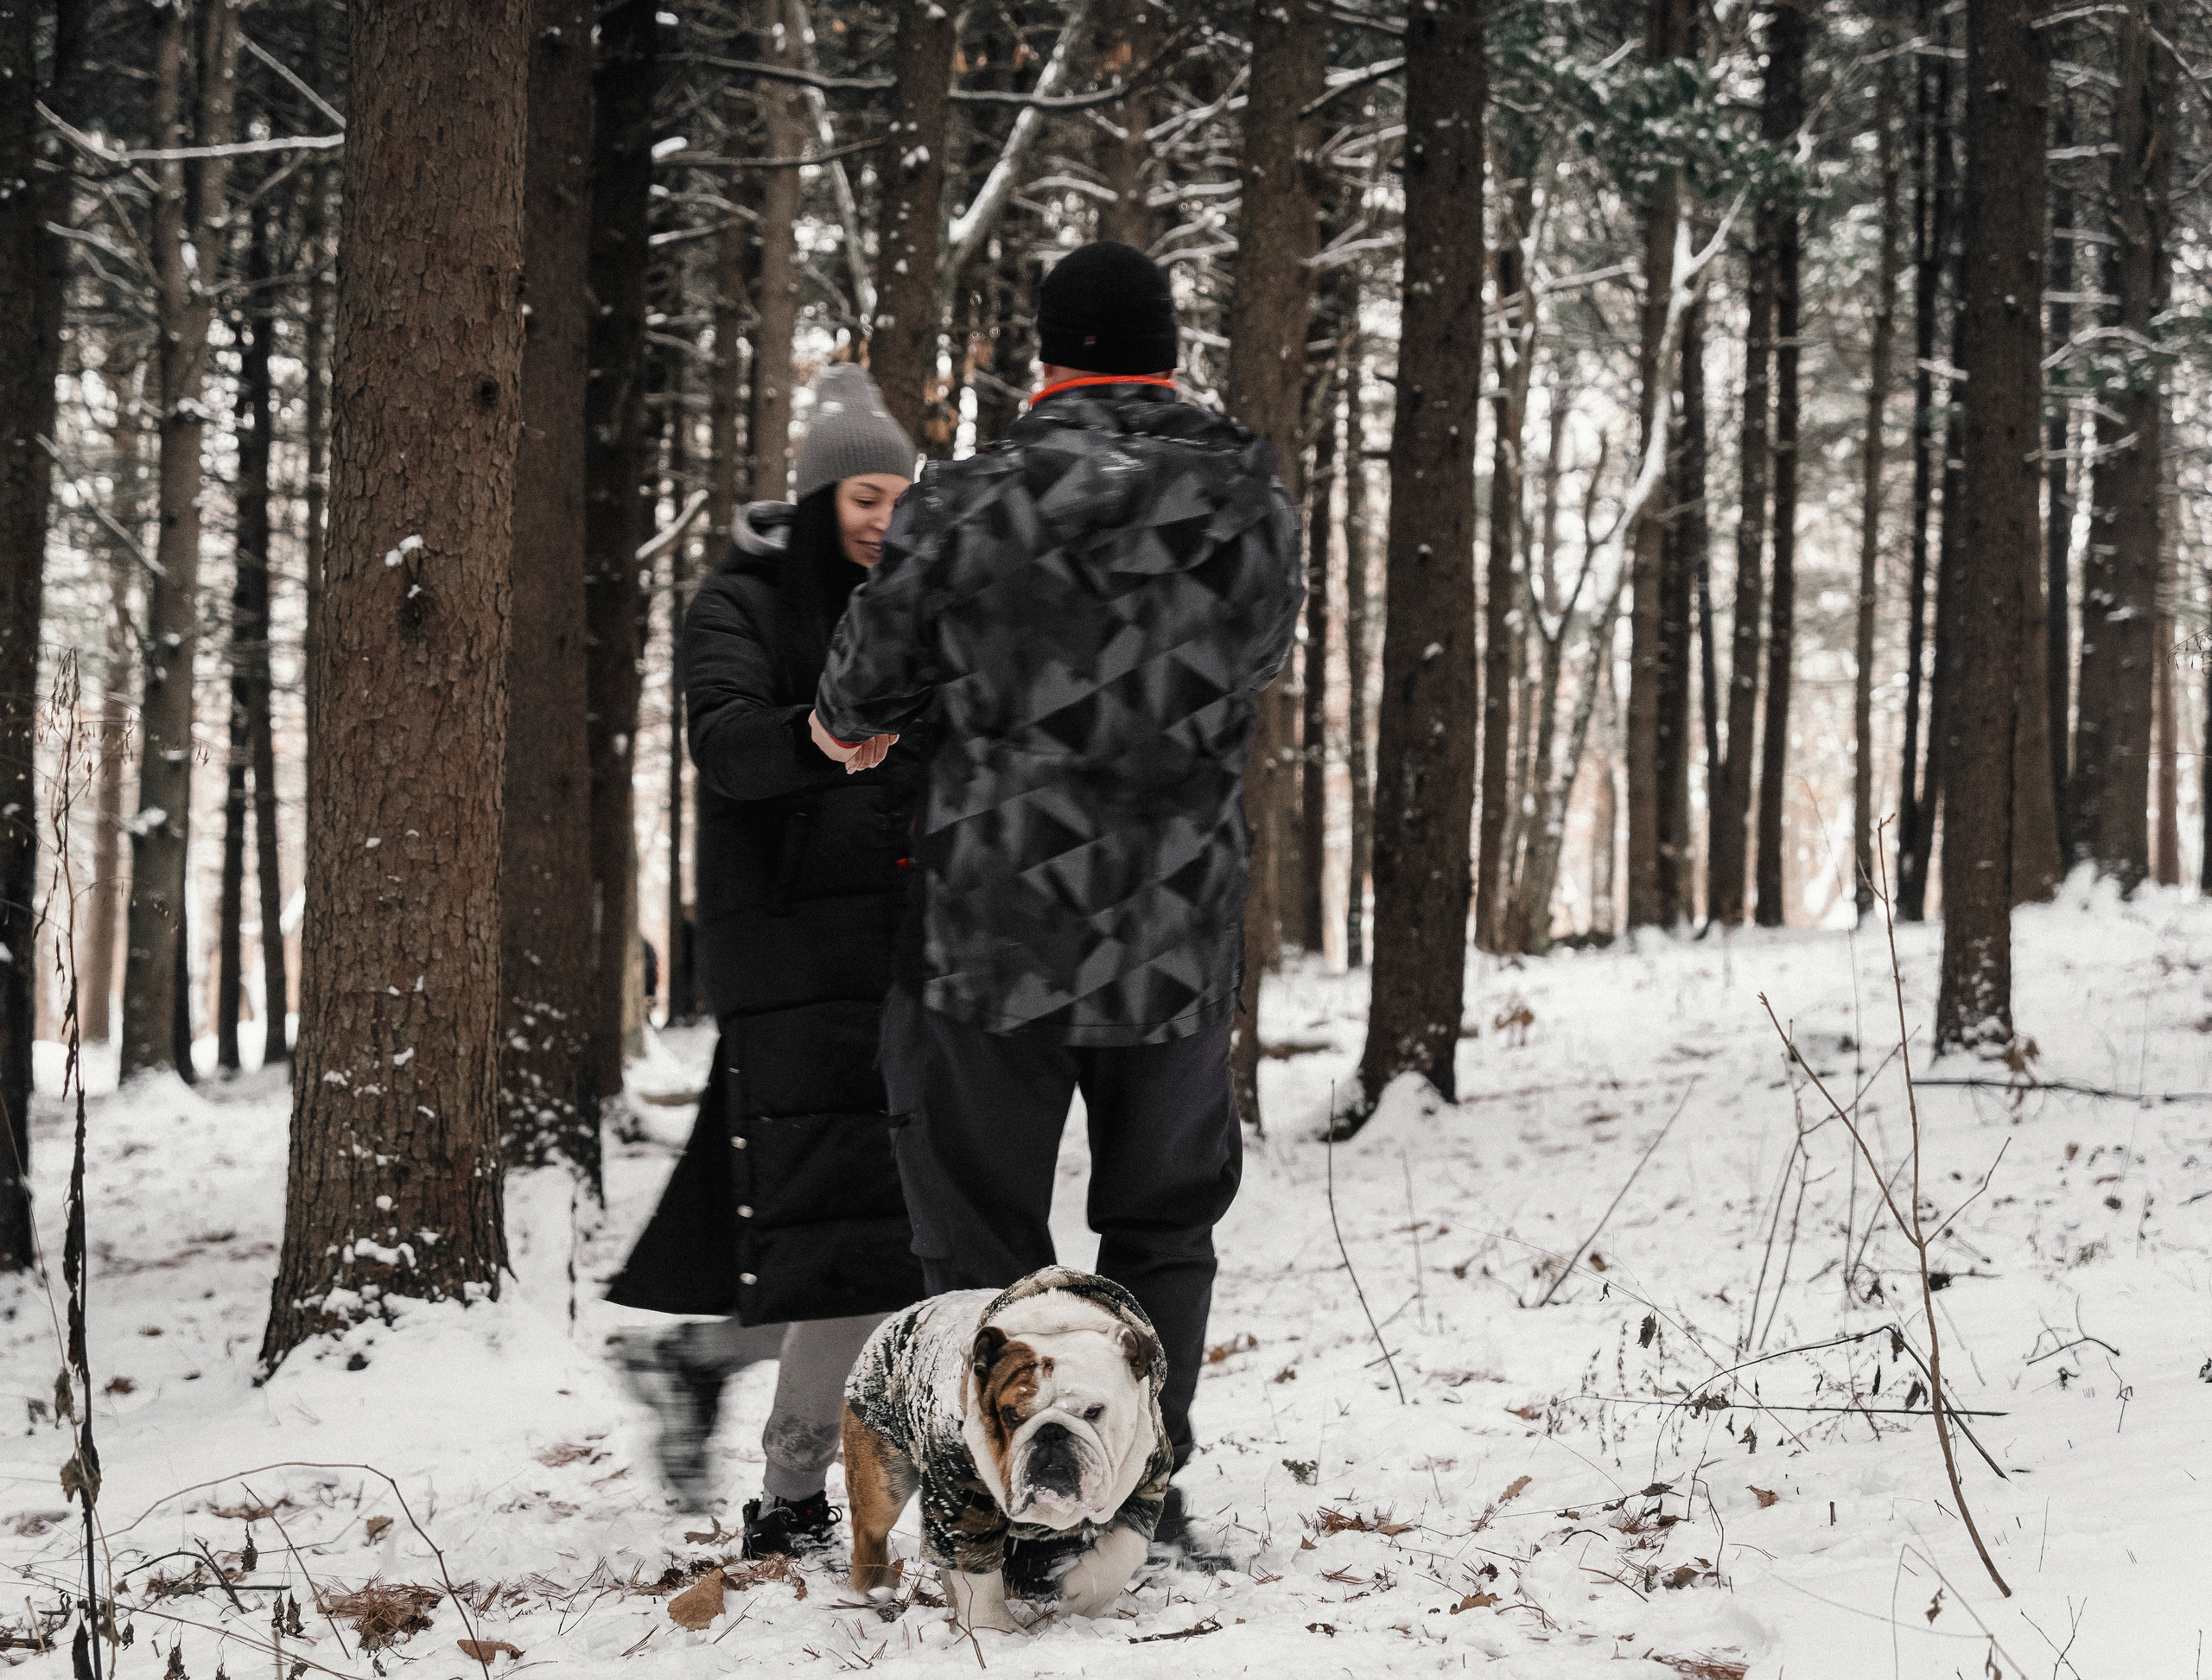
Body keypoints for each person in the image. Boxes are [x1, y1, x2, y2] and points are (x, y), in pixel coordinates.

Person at [810, 242, 1303, 1556]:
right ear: (1170, 353)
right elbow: (1254, 659)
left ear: (1045, 357)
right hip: (1175, 927)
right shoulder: (1249, 500)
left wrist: (868, 724)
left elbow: (856, 695)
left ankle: (990, 1510)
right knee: (1163, 1225)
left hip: (989, 931)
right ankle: (1138, 1501)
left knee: (978, 1234)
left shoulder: (964, 504)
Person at [606, 363, 923, 1558]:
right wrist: (820, 735)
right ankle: (786, 1489)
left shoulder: (918, 599)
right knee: (860, 1244)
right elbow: (727, 743)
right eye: (863, 498)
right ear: (817, 497)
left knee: (867, 1237)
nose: (884, 520)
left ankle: (707, 1366)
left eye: (901, 497)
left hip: (898, 949)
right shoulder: (737, 602)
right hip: (789, 954)